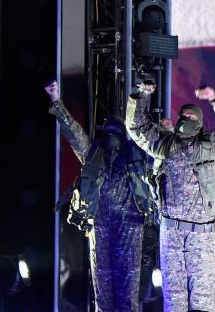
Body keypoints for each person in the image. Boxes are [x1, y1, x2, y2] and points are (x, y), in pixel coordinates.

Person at [126, 82, 215, 312]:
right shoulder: (166, 145)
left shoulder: (212, 146)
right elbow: (136, 126)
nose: (183, 120)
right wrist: (141, 96)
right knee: (174, 299)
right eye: (182, 116)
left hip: (203, 234)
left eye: (190, 117)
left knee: (202, 300)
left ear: (199, 123)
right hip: (172, 234)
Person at [46, 81, 157, 312]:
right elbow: (73, 132)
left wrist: (144, 97)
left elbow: (146, 132)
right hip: (101, 227)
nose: (111, 136)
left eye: (115, 131)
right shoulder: (94, 154)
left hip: (130, 227)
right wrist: (56, 101)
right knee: (104, 298)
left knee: (127, 296)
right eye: (108, 132)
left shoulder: (136, 156)